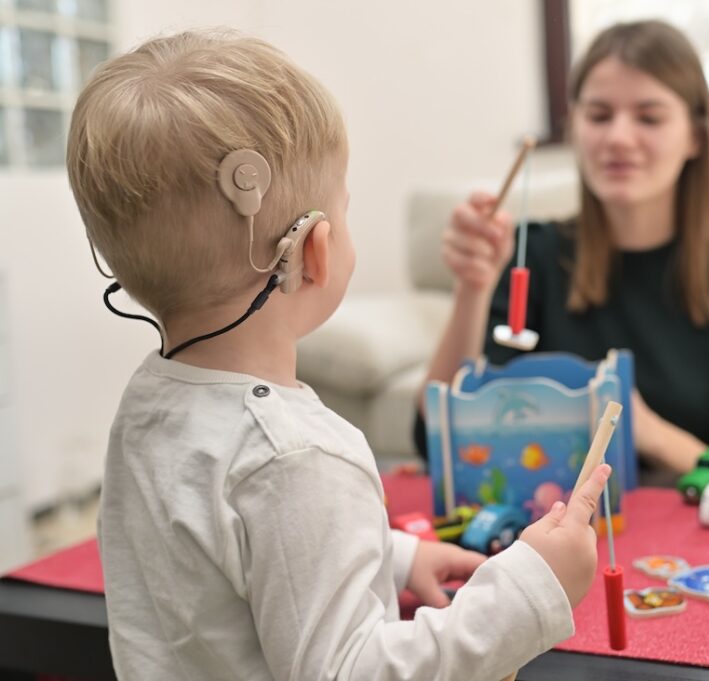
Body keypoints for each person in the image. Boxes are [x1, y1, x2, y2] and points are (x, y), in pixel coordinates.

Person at [68, 30, 611, 680]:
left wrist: (398, 556)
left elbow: (238, 548)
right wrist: (529, 588)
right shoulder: (298, 456)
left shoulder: (149, 402)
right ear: (315, 251)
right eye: (346, 210)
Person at [417, 20, 709, 475]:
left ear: (696, 136)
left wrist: (644, 428)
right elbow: (434, 439)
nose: (618, 138)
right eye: (598, 116)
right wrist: (471, 290)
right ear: (575, 128)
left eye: (649, 117)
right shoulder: (529, 255)